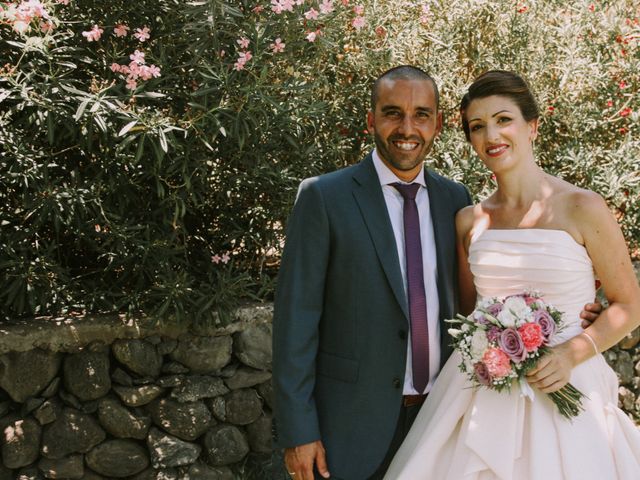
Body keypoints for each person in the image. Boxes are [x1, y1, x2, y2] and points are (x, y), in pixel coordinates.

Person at [272, 66, 602, 480]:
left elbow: (477, 305)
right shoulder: (324, 197)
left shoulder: (455, 202)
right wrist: (299, 431)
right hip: (350, 424)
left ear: (438, 124)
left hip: (443, 415)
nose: (407, 128)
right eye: (392, 113)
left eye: (422, 114)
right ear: (371, 120)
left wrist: (581, 315)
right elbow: (294, 323)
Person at [384, 70, 640, 479]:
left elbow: (630, 305)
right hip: (481, 388)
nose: (491, 136)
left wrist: (572, 350)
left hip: (567, 382)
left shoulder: (583, 207)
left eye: (504, 120)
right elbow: (469, 315)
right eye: (477, 126)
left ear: (532, 126)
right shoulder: (469, 220)